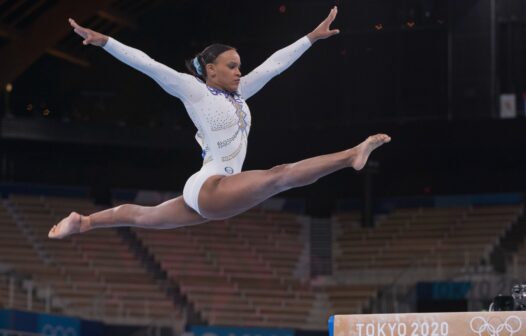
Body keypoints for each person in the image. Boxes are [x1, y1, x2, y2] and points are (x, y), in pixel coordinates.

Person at [49, 6, 390, 239]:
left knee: (143, 217)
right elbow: (149, 65)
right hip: (211, 187)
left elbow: (273, 66)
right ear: (211, 70)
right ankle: (351, 155)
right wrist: (106, 41)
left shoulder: (240, 94)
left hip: (212, 190)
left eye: (240, 65)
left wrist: (311, 38)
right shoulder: (195, 92)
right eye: (232, 66)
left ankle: (84, 222)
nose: (239, 71)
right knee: (279, 177)